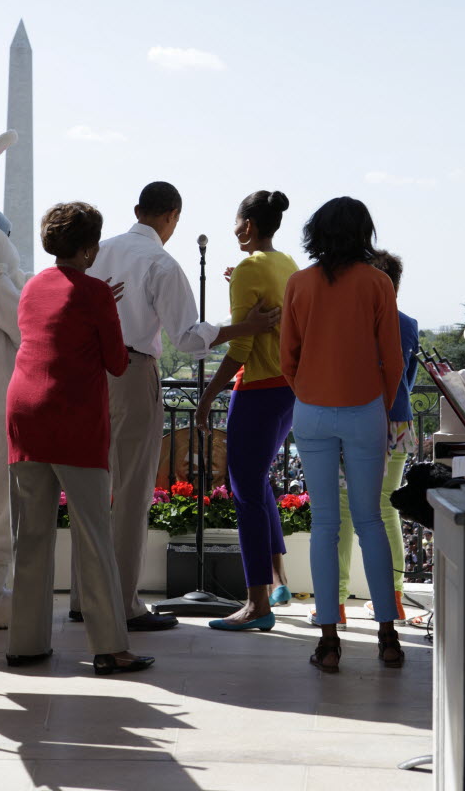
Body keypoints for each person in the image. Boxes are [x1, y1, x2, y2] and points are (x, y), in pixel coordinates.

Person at [83, 181, 281, 631]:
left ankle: (84, 598)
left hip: (86, 374)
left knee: (90, 487)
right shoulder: (161, 263)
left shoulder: (97, 252)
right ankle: (122, 603)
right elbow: (188, 339)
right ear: (172, 216)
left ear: (138, 210)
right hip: (130, 371)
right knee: (131, 491)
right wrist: (241, 327)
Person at [6, 201, 154, 676]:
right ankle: (110, 647)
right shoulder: (96, 293)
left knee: (32, 536)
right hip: (73, 418)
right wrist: (107, 307)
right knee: (93, 535)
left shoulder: (32, 286)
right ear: (90, 248)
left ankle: (25, 643)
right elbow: (117, 362)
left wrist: (98, 303)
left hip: (24, 412)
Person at [280, 196, 405, 672]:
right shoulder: (377, 283)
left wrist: (309, 391)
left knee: (325, 526)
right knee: (371, 521)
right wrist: (375, 404)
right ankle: (388, 637)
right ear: (362, 233)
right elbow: (392, 359)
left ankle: (328, 641)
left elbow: (288, 356)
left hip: (311, 410)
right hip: (363, 409)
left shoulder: (299, 283)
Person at [195, 190, 298, 631]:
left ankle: (256, 605)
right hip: (288, 390)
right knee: (257, 483)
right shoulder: (286, 263)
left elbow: (241, 348)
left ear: (248, 225)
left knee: (246, 493)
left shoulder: (249, 269)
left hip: (257, 390)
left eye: (237, 222)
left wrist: (207, 397)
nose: (234, 229)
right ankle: (278, 582)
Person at [309, 249, 420, 627]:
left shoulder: (353, 320)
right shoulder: (408, 324)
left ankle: (336, 604)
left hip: (355, 418)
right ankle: (393, 600)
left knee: (341, 513)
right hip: (397, 422)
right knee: (386, 511)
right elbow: (406, 380)